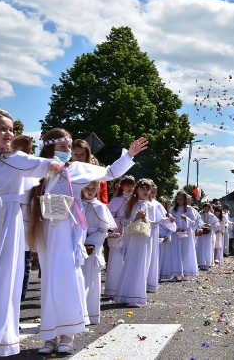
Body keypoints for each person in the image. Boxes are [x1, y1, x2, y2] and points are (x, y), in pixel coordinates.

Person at [27, 128, 147, 355]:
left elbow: (110, 172)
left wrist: (129, 155)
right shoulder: (40, 169)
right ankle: (49, 335)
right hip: (46, 231)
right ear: (50, 147)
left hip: (69, 232)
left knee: (69, 279)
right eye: (63, 147)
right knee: (49, 283)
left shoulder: (77, 169)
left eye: (69, 148)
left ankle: (67, 334)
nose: (68, 151)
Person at [0, 109, 63, 360]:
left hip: (5, 225)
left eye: (11, 129)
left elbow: (43, 165)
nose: (8, 134)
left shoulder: (17, 159)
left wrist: (54, 163)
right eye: (2, 129)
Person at [114, 178, 153, 307]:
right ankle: (126, 295)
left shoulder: (151, 205)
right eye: (142, 188)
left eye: (147, 188)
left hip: (144, 239)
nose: (145, 190)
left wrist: (145, 219)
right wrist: (135, 218)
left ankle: (136, 296)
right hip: (132, 238)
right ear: (137, 190)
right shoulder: (131, 204)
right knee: (130, 263)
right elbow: (123, 220)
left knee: (141, 265)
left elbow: (156, 223)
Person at [80, 180, 115, 324]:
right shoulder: (76, 204)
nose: (89, 190)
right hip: (77, 246)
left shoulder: (100, 207)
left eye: (93, 188)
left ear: (98, 189)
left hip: (92, 248)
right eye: (86, 187)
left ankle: (90, 314)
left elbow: (104, 230)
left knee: (91, 281)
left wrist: (88, 242)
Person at [11, 134, 38, 303]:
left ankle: (18, 300)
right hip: (8, 218)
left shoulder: (33, 168)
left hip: (26, 220)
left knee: (23, 260)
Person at [104, 176, 135, 298]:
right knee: (116, 259)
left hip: (131, 230)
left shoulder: (135, 200)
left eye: (132, 185)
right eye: (127, 185)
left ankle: (126, 287)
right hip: (118, 231)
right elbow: (108, 214)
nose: (130, 188)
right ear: (122, 186)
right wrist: (117, 221)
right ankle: (113, 288)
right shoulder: (116, 200)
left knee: (128, 259)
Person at [169, 191, 199, 280]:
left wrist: (186, 219)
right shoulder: (173, 209)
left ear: (185, 199)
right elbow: (170, 220)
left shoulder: (190, 209)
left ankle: (185, 271)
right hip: (176, 234)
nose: (179, 201)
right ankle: (176, 273)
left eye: (181, 199)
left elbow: (194, 222)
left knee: (185, 252)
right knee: (175, 252)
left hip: (187, 234)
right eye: (178, 199)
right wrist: (174, 226)